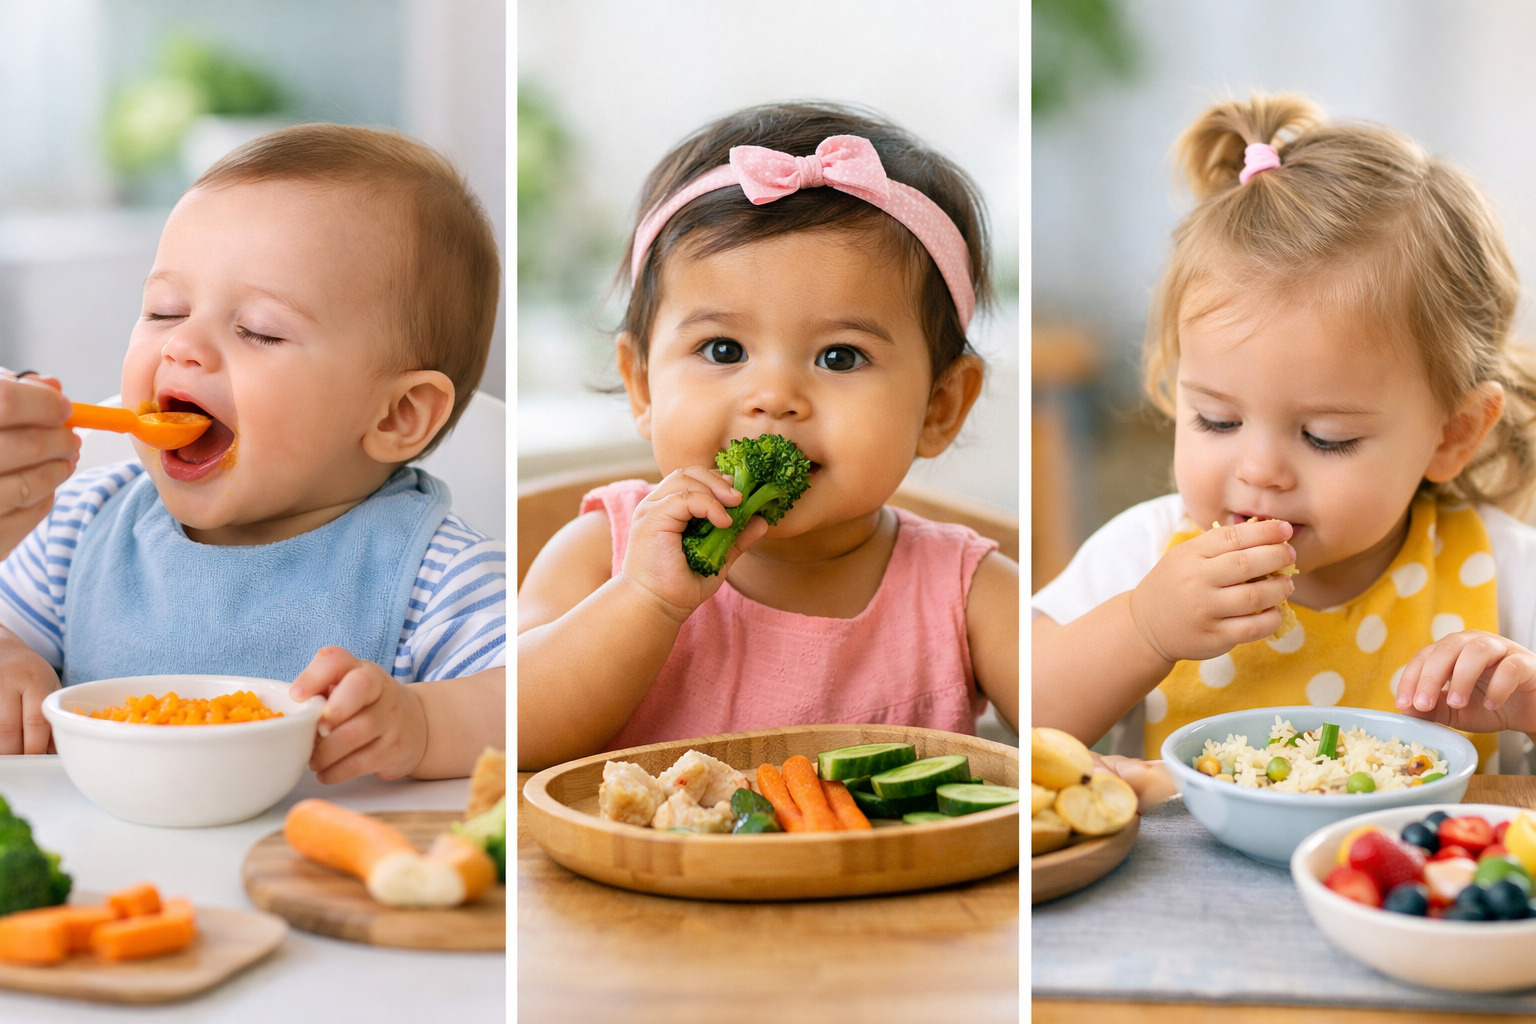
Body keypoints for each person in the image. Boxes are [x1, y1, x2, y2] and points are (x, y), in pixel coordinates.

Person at [1033, 92, 1536, 795]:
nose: (1260, 471)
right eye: (1217, 420)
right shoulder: (1144, 556)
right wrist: (1143, 630)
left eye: (1326, 438)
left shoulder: (1506, 571)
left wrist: (1527, 705)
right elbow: (1021, 725)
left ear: (1452, 434)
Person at [518, 102, 1019, 770]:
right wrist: (644, 601)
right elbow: (511, 729)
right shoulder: (599, 553)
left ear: (940, 407)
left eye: (840, 357)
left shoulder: (966, 593)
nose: (775, 397)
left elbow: (1070, 731)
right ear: (642, 386)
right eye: (723, 350)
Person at [0, 124, 506, 780]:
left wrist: (425, 722)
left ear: (397, 414)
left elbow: (526, 701)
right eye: (164, 311)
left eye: (258, 330)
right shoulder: (75, 529)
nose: (182, 345)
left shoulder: (436, 576)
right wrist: (9, 660)